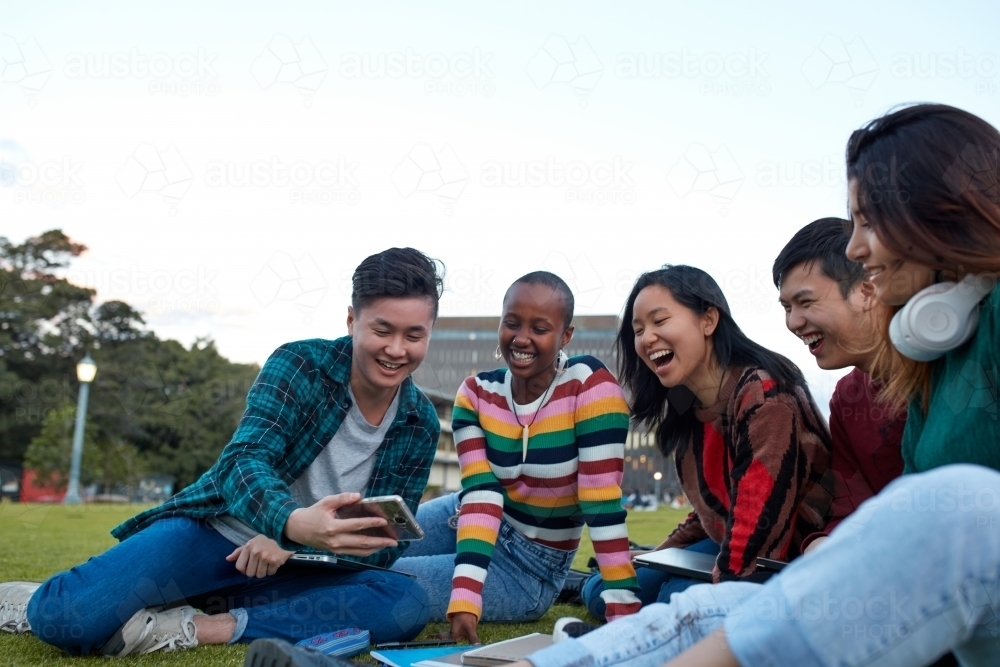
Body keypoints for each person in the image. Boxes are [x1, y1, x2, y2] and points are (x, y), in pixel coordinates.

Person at [537, 103, 1000, 667]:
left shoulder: (766, 393)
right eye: (638, 328)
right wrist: (824, 550)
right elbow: (847, 509)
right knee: (679, 606)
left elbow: (778, 514)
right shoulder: (910, 371)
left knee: (704, 597)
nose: (856, 247)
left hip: (906, 579)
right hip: (889, 586)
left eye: (869, 222)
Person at [1, 247, 446, 657]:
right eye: (382, 330)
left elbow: (383, 544)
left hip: (292, 569)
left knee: (405, 603)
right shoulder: (299, 365)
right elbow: (243, 462)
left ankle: (197, 627)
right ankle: (36, 599)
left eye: (413, 335)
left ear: (429, 334)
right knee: (64, 618)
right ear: (352, 321)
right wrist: (291, 522)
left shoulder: (420, 422)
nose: (396, 350)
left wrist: (292, 547)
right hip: (212, 536)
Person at [391, 271, 642, 643]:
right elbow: (481, 494)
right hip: (466, 516)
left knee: (385, 582)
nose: (521, 338)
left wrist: (622, 613)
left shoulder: (590, 387)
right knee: (369, 546)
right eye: (511, 323)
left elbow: (601, 503)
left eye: (539, 328)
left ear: (565, 336)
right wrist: (465, 594)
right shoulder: (476, 394)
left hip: (529, 569)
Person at [580, 264, 833, 619]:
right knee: (604, 590)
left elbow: (759, 520)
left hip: (784, 557)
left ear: (708, 320)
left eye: (659, 321)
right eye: (638, 330)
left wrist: (708, 589)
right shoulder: (685, 405)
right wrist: (658, 556)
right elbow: (712, 512)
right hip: (724, 545)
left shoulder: (764, 395)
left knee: (673, 599)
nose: (647, 338)